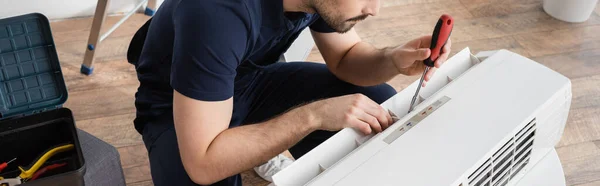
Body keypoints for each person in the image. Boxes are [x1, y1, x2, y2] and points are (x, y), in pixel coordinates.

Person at [128, 0, 452, 185]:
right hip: (176, 105)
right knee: (208, 177)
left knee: (377, 103)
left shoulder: (320, 2)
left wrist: (392, 58)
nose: (374, 8)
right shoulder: (218, 12)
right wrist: (314, 115)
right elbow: (202, 162)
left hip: (249, 80)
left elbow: (344, 57)